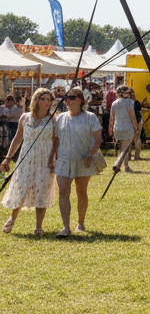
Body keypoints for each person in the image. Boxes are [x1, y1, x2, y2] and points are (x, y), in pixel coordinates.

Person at [1, 88, 56, 235]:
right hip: (27, 156)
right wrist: (7, 158)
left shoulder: (53, 119)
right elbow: (18, 139)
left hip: (46, 158)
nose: (46, 102)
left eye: (49, 100)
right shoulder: (25, 117)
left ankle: (39, 226)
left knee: (43, 188)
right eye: (43, 99)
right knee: (21, 186)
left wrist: (52, 158)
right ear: (36, 100)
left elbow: (56, 140)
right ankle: (12, 218)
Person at [49, 87, 102, 236]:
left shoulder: (90, 117)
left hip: (83, 159)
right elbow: (56, 139)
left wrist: (91, 154)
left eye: (71, 97)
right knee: (64, 191)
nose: (67, 101)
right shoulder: (60, 118)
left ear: (80, 99)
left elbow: (98, 139)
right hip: (64, 159)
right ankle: (66, 227)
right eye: (65, 98)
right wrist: (52, 157)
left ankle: (81, 223)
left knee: (81, 191)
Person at [109, 85, 139, 172]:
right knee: (126, 149)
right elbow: (133, 116)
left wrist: (112, 128)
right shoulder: (130, 102)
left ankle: (124, 165)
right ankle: (122, 165)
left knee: (123, 148)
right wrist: (136, 128)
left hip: (117, 128)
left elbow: (112, 117)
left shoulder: (114, 103)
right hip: (128, 127)